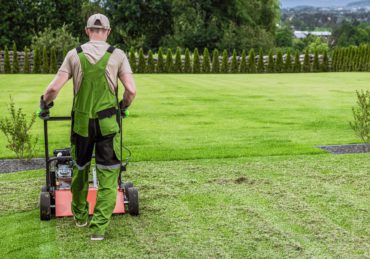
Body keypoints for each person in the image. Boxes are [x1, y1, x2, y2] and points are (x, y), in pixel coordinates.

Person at [37, 13, 137, 241]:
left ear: (87, 30)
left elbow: (53, 88)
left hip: (81, 125)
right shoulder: (118, 55)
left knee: (80, 169)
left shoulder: (74, 55)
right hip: (108, 125)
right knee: (109, 175)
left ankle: (80, 215)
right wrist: (122, 106)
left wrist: (45, 103)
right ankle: (99, 228)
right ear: (108, 32)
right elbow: (131, 90)